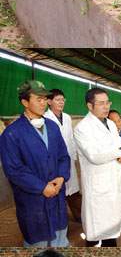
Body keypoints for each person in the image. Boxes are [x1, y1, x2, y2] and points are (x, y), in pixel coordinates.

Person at [0, 80, 70, 248]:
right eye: (38, 99)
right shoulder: (12, 133)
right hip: (33, 199)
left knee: (60, 238)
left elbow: (63, 156)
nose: (43, 103)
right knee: (37, 244)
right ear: (25, 102)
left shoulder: (52, 127)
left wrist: (61, 177)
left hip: (57, 192)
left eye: (45, 99)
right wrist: (41, 187)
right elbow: (14, 170)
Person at [74, 88, 121, 248]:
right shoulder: (82, 128)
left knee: (112, 230)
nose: (106, 106)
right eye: (101, 103)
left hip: (114, 180)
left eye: (107, 102)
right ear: (90, 106)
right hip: (98, 186)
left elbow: (117, 145)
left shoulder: (109, 123)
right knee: (97, 232)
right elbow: (94, 155)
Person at [45, 88, 81, 221]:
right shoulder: (45, 118)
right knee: (58, 192)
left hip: (69, 158)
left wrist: (74, 156)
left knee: (74, 191)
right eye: (58, 99)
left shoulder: (67, 117)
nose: (61, 102)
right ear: (49, 101)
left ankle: (78, 215)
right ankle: (61, 221)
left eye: (63, 99)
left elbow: (70, 138)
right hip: (55, 161)